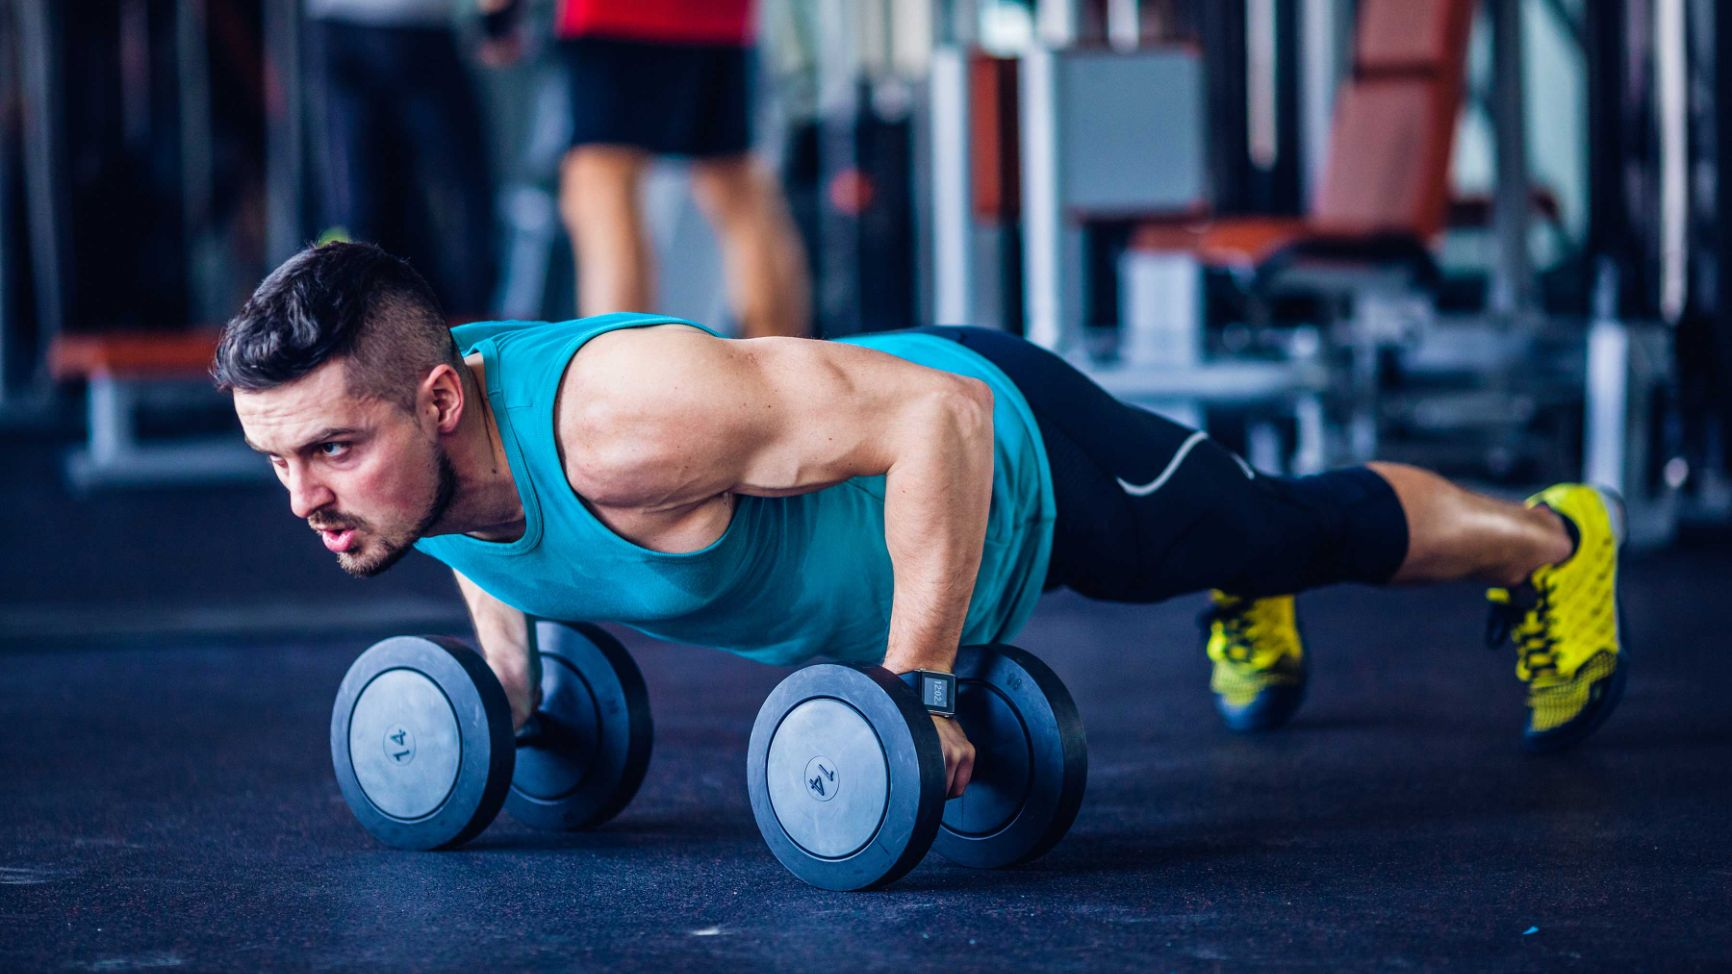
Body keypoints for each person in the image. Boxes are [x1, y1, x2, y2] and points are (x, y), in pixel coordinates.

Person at [215, 244, 1627, 800]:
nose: (306, 501)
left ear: (447, 402)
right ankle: (1245, 586)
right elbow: (482, 534)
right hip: (881, 442)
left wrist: (924, 688)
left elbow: (931, 425)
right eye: (278, 462)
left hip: (1001, 443)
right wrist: (514, 689)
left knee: (1272, 529)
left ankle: (1558, 539)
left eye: (328, 451)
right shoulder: (415, 480)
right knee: (1246, 538)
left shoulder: (622, 419)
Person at [480, 0, 811, 337]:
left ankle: (622, 370)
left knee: (602, 181)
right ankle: (787, 365)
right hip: (724, 18)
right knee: (737, 184)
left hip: (614, 16)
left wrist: (496, 17)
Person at [304, 0, 496, 316]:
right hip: (415, 22)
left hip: (334, 22)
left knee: (363, 199)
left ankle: (370, 325)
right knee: (463, 191)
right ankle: (468, 336)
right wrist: (497, 20)